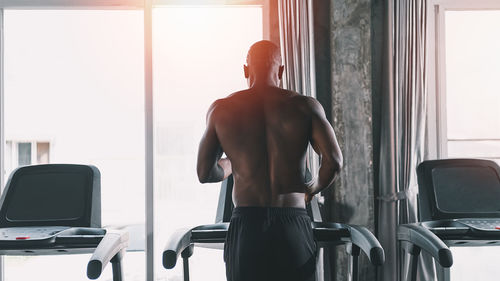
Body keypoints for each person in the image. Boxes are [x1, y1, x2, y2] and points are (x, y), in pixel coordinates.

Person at [196, 40, 343, 281]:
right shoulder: (305, 106)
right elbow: (334, 161)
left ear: (246, 70)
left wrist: (231, 163)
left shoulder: (221, 109)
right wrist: (311, 189)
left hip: (247, 225)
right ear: (281, 71)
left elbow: (204, 172)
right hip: (292, 223)